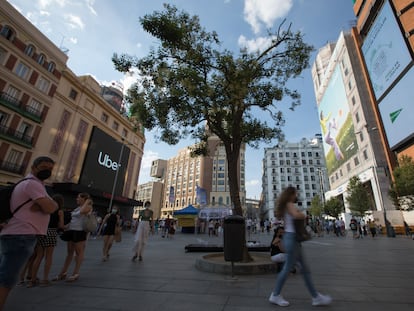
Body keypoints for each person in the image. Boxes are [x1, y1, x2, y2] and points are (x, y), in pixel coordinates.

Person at [0, 156, 58, 310]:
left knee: (5, 273)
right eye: (44, 167)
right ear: (33, 167)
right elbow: (51, 208)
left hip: (17, 233)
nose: (48, 171)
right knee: (7, 278)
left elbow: (50, 205)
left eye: (50, 169)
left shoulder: (30, 183)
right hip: (21, 235)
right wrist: (46, 205)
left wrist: (44, 205)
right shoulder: (33, 184)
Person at [269, 186, 332, 307]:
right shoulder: (290, 204)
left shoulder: (286, 205)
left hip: (291, 239)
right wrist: (303, 214)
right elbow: (297, 216)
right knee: (288, 268)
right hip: (292, 239)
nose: (296, 195)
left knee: (304, 269)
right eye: (295, 193)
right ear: (291, 194)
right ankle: (275, 294)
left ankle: (316, 296)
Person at [52, 193, 93, 282]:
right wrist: (66, 226)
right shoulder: (77, 208)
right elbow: (74, 219)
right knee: (69, 253)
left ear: (84, 199)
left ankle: (75, 273)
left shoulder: (88, 208)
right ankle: (63, 272)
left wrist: (87, 201)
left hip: (80, 231)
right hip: (71, 230)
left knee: (79, 252)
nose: (76, 199)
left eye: (78, 198)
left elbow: (82, 212)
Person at [27, 194, 65, 287]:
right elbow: (61, 225)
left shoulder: (46, 209)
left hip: (42, 231)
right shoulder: (60, 211)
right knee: (49, 256)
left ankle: (32, 279)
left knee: (39, 256)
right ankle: (45, 279)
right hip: (52, 232)